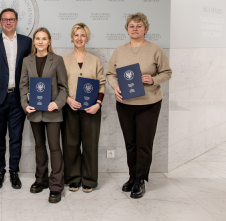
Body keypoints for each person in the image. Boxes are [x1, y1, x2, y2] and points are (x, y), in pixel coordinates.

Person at [106, 12, 172, 199]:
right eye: (132, 26)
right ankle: (132, 176)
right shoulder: (119, 50)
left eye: (139, 26)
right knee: (131, 143)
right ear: (127, 29)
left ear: (145, 29)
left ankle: (140, 180)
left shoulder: (155, 49)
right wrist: (115, 86)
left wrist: (153, 79)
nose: (135, 29)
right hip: (125, 103)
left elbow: (167, 73)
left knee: (144, 143)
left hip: (148, 104)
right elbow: (110, 73)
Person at [0, 8, 32, 190]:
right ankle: (0, 172)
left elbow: (31, 71)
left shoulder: (27, 42)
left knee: (16, 138)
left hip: (19, 99)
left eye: (11, 19)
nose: (8, 22)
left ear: (17, 21)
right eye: (5, 19)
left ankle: (14, 172)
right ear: (0, 21)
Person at [19, 27, 68, 203]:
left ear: (49, 42)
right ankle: (41, 180)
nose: (40, 41)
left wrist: (58, 103)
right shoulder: (27, 61)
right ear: (34, 41)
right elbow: (23, 86)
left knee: (54, 147)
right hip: (34, 112)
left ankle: (56, 185)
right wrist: (25, 105)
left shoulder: (58, 60)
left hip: (53, 111)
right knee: (39, 146)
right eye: (37, 38)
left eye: (44, 38)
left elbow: (64, 87)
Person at [62, 23, 106, 193]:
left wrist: (98, 104)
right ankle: (73, 178)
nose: (79, 38)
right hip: (70, 108)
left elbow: (102, 84)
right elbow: (59, 84)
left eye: (82, 35)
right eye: (76, 35)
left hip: (91, 109)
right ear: (72, 38)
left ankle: (89, 179)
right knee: (70, 143)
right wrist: (67, 100)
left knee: (90, 144)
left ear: (87, 38)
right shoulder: (64, 60)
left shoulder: (95, 61)